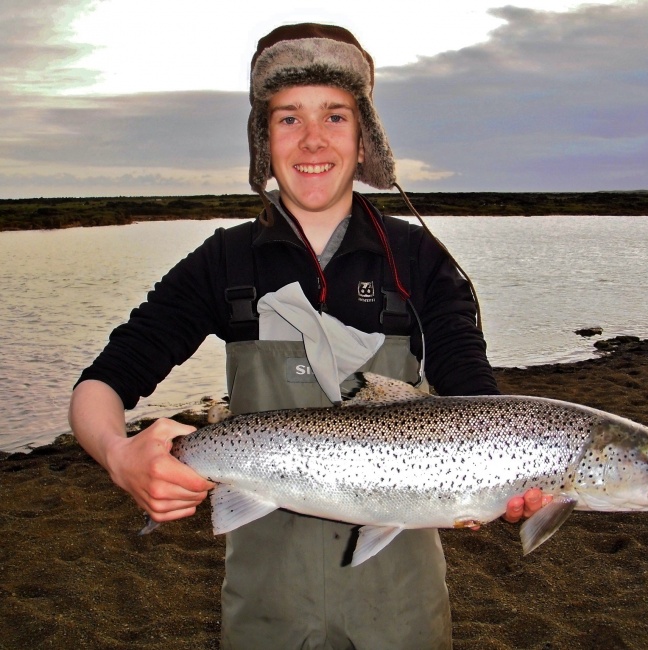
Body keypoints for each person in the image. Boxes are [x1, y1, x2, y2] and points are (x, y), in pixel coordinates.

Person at [69, 23, 548, 649]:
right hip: (266, 603)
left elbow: (480, 407)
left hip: (401, 605)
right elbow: (101, 384)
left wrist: (512, 483)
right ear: (263, 141)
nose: (313, 140)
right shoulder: (222, 263)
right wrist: (118, 455)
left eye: (336, 116)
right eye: (288, 118)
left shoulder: (422, 261)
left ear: (365, 137)